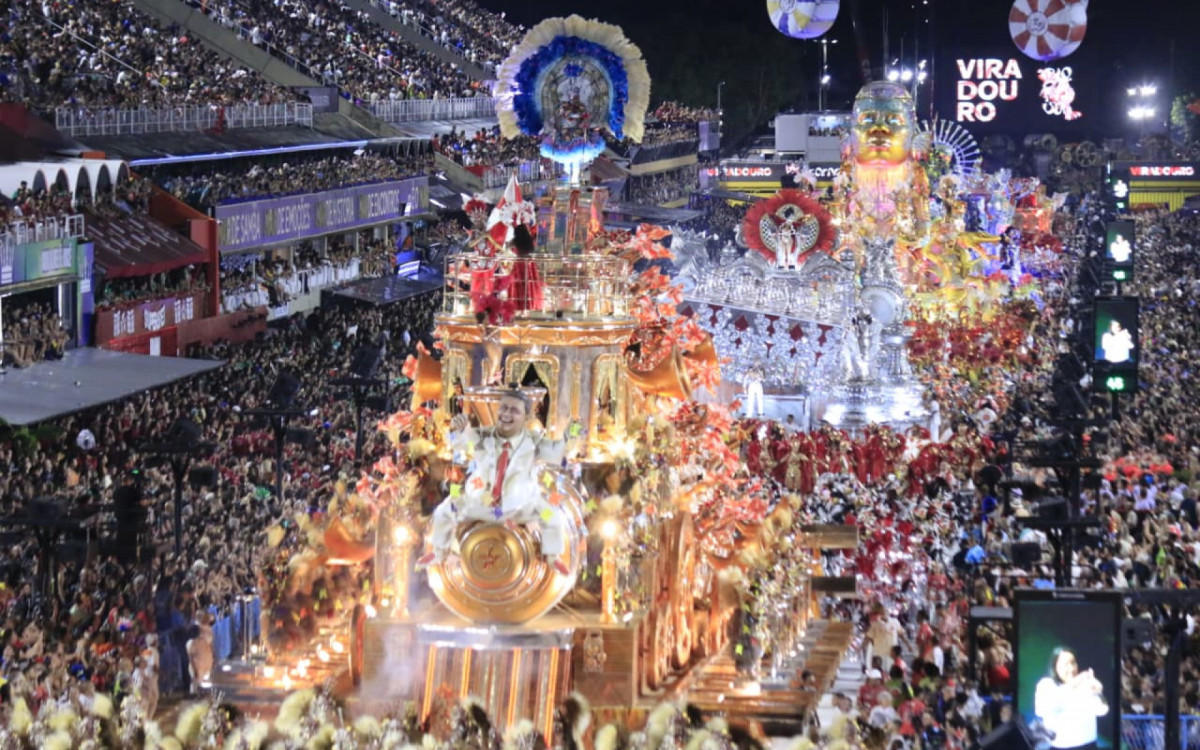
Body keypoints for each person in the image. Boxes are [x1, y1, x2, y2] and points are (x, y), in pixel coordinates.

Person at [420, 388, 570, 575]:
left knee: (552, 516)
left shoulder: (533, 442)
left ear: (526, 416)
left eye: (514, 410)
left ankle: (553, 557)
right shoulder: (484, 436)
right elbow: (461, 442)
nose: (506, 414)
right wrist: (459, 429)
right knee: (445, 510)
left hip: (520, 506)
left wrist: (570, 435)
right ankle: (439, 552)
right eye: (503, 408)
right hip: (481, 502)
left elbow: (557, 453)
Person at [1033, 647, 1108, 750]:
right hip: (1060, 747)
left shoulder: (1085, 684)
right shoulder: (1046, 684)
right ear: (1055, 667)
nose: (1071, 668)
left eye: (1073, 663)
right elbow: (1042, 710)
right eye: (1066, 664)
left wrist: (1098, 693)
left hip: (1089, 746)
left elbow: (1102, 710)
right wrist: (1074, 683)